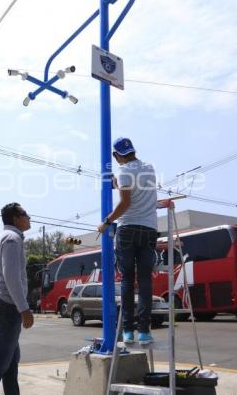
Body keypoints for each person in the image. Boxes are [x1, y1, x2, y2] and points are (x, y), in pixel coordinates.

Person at [98, 137, 157, 345]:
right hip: (149, 228)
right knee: (145, 280)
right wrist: (118, 181)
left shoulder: (124, 172)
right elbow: (138, 190)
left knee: (126, 280)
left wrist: (106, 222)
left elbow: (125, 203)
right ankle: (143, 332)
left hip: (128, 228)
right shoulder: (149, 168)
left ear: (116, 155)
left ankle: (127, 332)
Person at [0, 202, 34, 395]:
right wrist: (24, 309)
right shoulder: (11, 238)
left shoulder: (4, 237)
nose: (29, 217)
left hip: (1, 306)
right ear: (16, 218)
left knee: (10, 363)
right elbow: (11, 277)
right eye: (25, 213)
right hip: (6, 307)